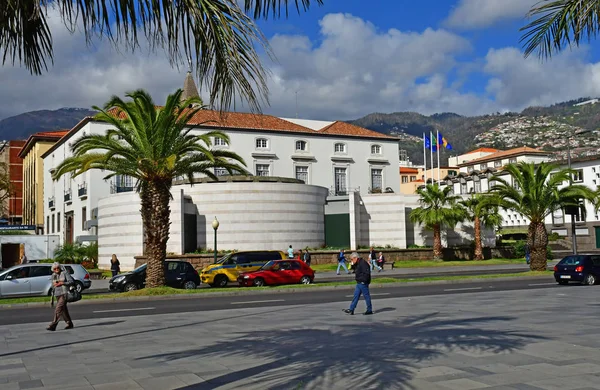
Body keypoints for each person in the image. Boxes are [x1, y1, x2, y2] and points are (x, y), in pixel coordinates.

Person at [47, 262, 74, 331]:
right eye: (55, 268)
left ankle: (53, 324)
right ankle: (69, 323)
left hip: (64, 293)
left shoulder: (64, 273)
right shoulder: (53, 275)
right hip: (57, 294)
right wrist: (54, 284)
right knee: (63, 309)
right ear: (53, 269)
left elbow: (71, 281)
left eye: (57, 268)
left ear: (60, 267)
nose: (56, 269)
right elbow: (52, 285)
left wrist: (62, 283)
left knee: (58, 308)